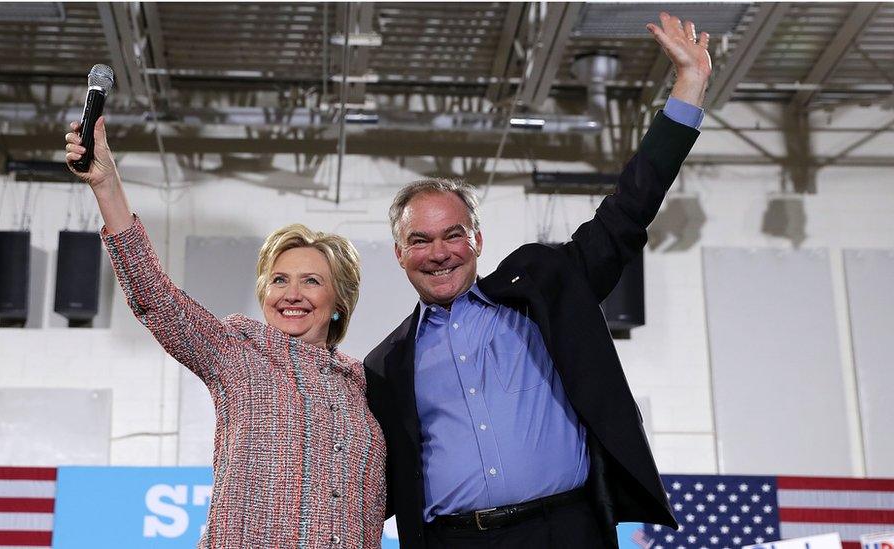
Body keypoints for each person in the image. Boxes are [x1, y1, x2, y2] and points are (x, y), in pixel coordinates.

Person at [364, 12, 711, 549]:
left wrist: (689, 86)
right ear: (399, 254)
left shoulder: (544, 288)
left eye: (452, 236)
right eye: (420, 241)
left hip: (566, 532)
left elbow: (628, 211)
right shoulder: (385, 365)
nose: (439, 253)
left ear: (477, 240)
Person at [64, 119, 386, 548]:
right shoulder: (238, 353)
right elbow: (154, 297)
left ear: (339, 301)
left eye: (311, 281)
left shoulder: (366, 387)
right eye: (279, 280)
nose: (292, 294)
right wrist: (107, 186)